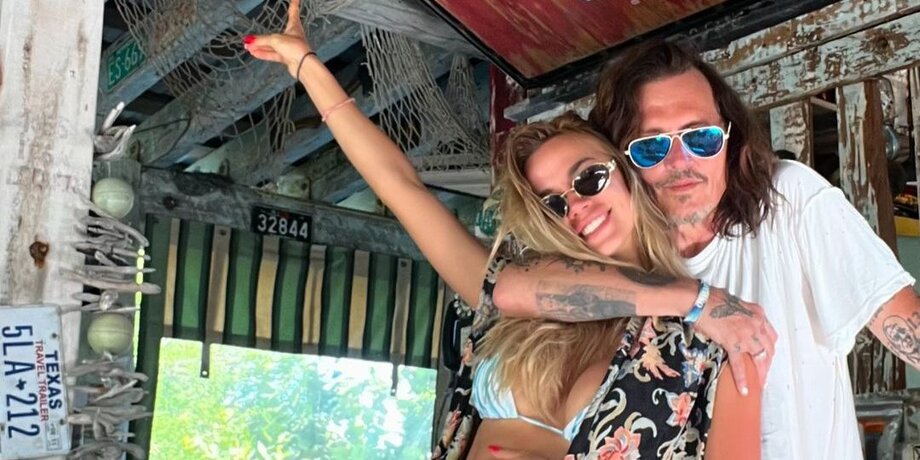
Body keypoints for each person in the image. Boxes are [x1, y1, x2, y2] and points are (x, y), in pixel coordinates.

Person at [244, 4, 766, 457]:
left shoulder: (715, 341)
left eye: (589, 178)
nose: (577, 206)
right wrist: (308, 66)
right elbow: (401, 188)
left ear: (628, 173)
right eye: (552, 204)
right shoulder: (512, 291)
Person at [492, 40, 920, 459]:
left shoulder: (788, 202)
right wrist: (699, 301)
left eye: (701, 138)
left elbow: (904, 324)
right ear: (621, 159)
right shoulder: (614, 263)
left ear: (729, 138)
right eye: (652, 146)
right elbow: (512, 285)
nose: (681, 162)